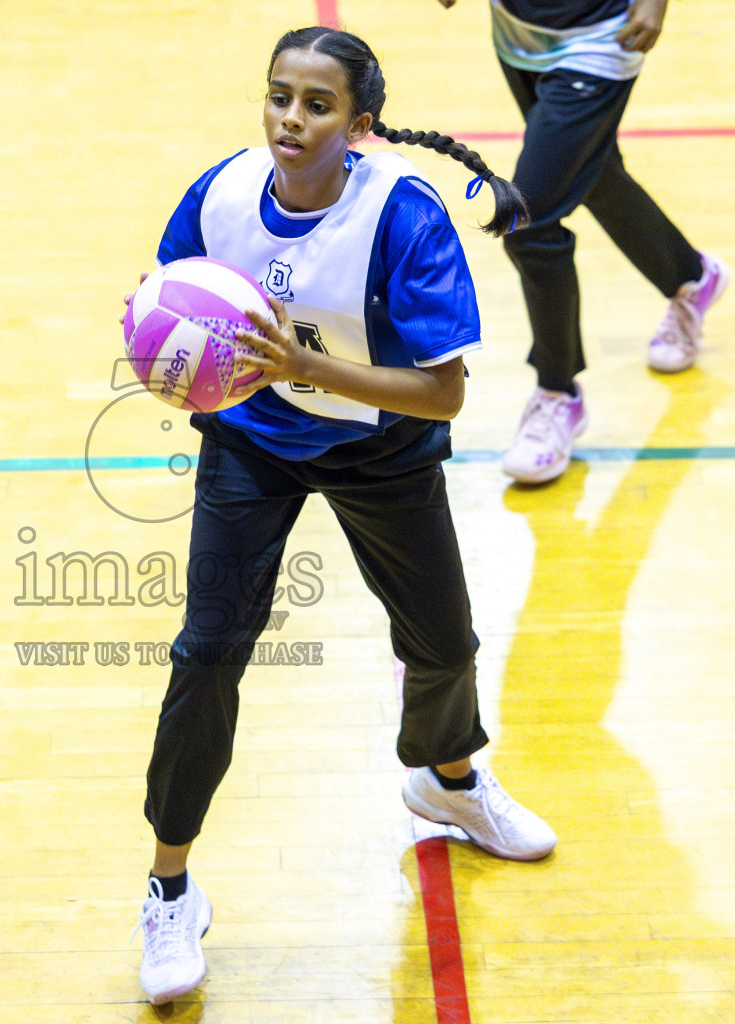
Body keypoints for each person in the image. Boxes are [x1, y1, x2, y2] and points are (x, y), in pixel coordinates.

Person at [129, 26, 556, 1006]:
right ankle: (169, 887)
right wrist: (157, 329)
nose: (291, 119)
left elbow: (444, 393)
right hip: (253, 443)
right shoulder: (222, 194)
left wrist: (307, 367)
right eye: (279, 96)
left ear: (358, 125)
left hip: (381, 448)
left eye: (317, 105)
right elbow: (168, 291)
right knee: (207, 656)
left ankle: (449, 782)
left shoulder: (403, 215)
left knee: (443, 642)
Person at [435, 0, 727, 483]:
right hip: (518, 33)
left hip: (600, 37)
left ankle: (557, 392)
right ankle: (690, 277)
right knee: (591, 170)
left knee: (529, 222)